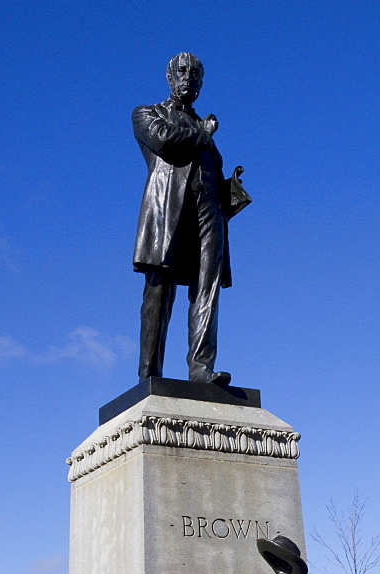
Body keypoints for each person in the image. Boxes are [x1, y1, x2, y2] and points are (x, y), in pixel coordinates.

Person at [132, 52, 243, 385]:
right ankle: (149, 374)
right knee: (159, 291)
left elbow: (210, 162)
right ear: (169, 77)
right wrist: (204, 135)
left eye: (196, 73)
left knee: (206, 288)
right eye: (182, 71)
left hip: (210, 210)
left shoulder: (201, 126)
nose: (189, 77)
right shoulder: (147, 114)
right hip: (168, 211)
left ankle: (201, 368)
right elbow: (165, 140)